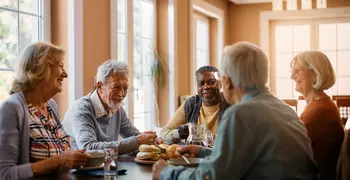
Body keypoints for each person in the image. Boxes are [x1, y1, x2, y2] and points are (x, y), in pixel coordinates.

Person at [152, 42, 319, 180]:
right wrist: (202, 151)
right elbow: (251, 157)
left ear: (227, 81)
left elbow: (212, 177)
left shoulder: (240, 115)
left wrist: (167, 173)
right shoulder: (285, 109)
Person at [0, 42, 90, 180]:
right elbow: (4, 174)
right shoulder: (12, 108)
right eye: (60, 66)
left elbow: (61, 155)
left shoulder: (51, 106)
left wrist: (74, 157)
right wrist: (59, 161)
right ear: (40, 69)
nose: (65, 74)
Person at [63, 59, 162, 154]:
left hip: (105, 167)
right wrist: (137, 141)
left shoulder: (117, 108)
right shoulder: (82, 109)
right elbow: (88, 148)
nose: (122, 93)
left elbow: (134, 135)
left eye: (125, 88)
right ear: (100, 87)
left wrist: (152, 140)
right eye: (116, 87)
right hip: (77, 170)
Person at [290, 51, 344, 180]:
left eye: (297, 71)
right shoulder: (319, 104)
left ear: (315, 74)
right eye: (292, 71)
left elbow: (288, 147)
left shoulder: (320, 110)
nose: (292, 76)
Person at [160, 66, 229, 143]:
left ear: (220, 84)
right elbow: (163, 133)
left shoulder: (230, 103)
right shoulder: (191, 105)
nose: (206, 87)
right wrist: (178, 133)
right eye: (201, 84)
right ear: (197, 87)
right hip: (194, 154)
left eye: (212, 82)